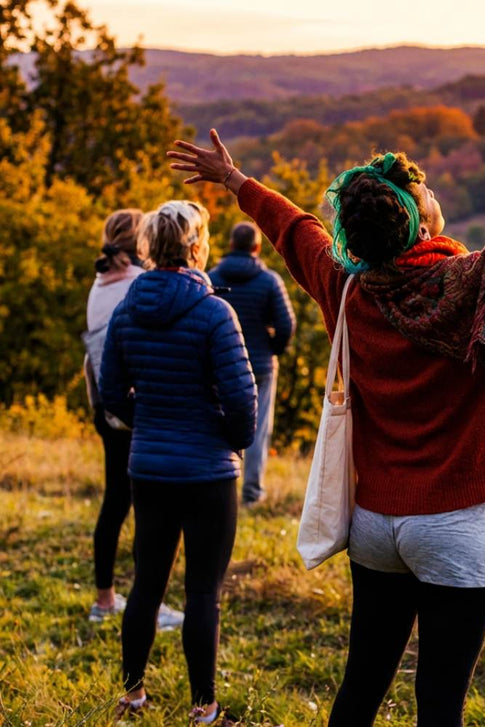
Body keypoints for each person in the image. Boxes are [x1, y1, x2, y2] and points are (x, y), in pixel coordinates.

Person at [168, 130, 485, 726]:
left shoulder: (347, 286)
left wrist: (235, 181)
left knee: (360, 687)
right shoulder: (479, 285)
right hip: (457, 523)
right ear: (418, 222)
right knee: (439, 703)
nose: (430, 189)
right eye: (423, 191)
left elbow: (295, 229)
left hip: (376, 526)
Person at [100, 200, 257, 723]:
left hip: (149, 467)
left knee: (146, 583)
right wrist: (229, 439)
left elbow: (110, 392)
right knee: (202, 593)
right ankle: (204, 705)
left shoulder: (128, 308)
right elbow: (241, 400)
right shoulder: (215, 312)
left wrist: (147, 419)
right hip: (208, 471)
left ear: (149, 246)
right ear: (196, 246)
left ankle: (132, 694)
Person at [83, 209, 184, 632]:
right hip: (136, 410)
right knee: (148, 510)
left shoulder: (99, 283)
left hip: (105, 410)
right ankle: (150, 602)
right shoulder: (136, 285)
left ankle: (105, 598)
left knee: (114, 503)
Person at [209, 222, 296, 506]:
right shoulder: (269, 281)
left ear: (232, 245)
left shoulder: (211, 278)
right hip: (259, 363)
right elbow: (286, 324)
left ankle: (220, 485)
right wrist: (273, 350)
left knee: (219, 423)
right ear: (256, 248)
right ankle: (252, 492)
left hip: (219, 365)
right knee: (258, 429)